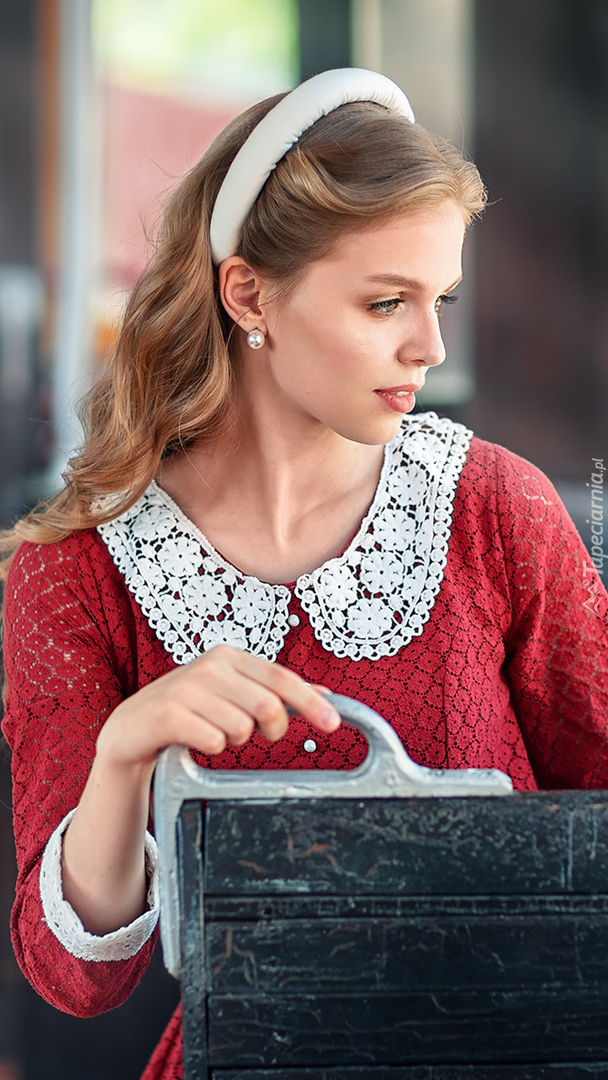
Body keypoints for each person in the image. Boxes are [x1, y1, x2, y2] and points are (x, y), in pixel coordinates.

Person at [1, 67, 607, 1080]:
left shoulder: (494, 509)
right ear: (249, 293)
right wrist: (123, 758)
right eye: (385, 302)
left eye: (440, 300)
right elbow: (75, 977)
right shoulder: (74, 571)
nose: (429, 346)